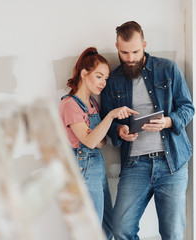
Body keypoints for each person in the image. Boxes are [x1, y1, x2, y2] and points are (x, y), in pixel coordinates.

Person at [100, 21, 195, 240]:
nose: (130, 58)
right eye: (124, 52)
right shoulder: (113, 81)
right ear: (117, 47)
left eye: (135, 51)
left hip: (172, 164)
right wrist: (120, 131)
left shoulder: (168, 68)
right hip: (135, 165)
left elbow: (187, 108)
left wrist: (168, 122)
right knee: (121, 229)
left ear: (144, 44)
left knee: (172, 234)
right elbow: (108, 121)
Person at [58, 47, 138, 239]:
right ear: (84, 73)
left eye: (106, 78)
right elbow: (90, 141)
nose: (103, 83)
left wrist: (105, 132)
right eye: (99, 76)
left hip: (97, 166)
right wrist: (110, 115)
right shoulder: (69, 104)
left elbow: (101, 142)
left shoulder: (92, 104)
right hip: (83, 168)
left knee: (107, 228)